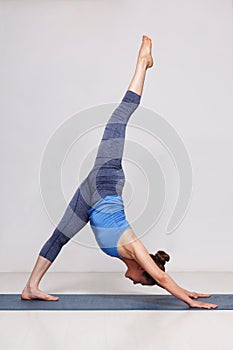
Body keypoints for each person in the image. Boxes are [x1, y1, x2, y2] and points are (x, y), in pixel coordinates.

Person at [21, 35, 218, 309]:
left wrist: (185, 290)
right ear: (142, 267)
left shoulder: (123, 256)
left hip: (90, 197)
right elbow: (160, 276)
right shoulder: (133, 245)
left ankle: (30, 287)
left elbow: (158, 275)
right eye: (142, 281)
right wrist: (188, 298)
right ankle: (142, 62)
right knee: (120, 117)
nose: (137, 282)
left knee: (59, 237)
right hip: (106, 181)